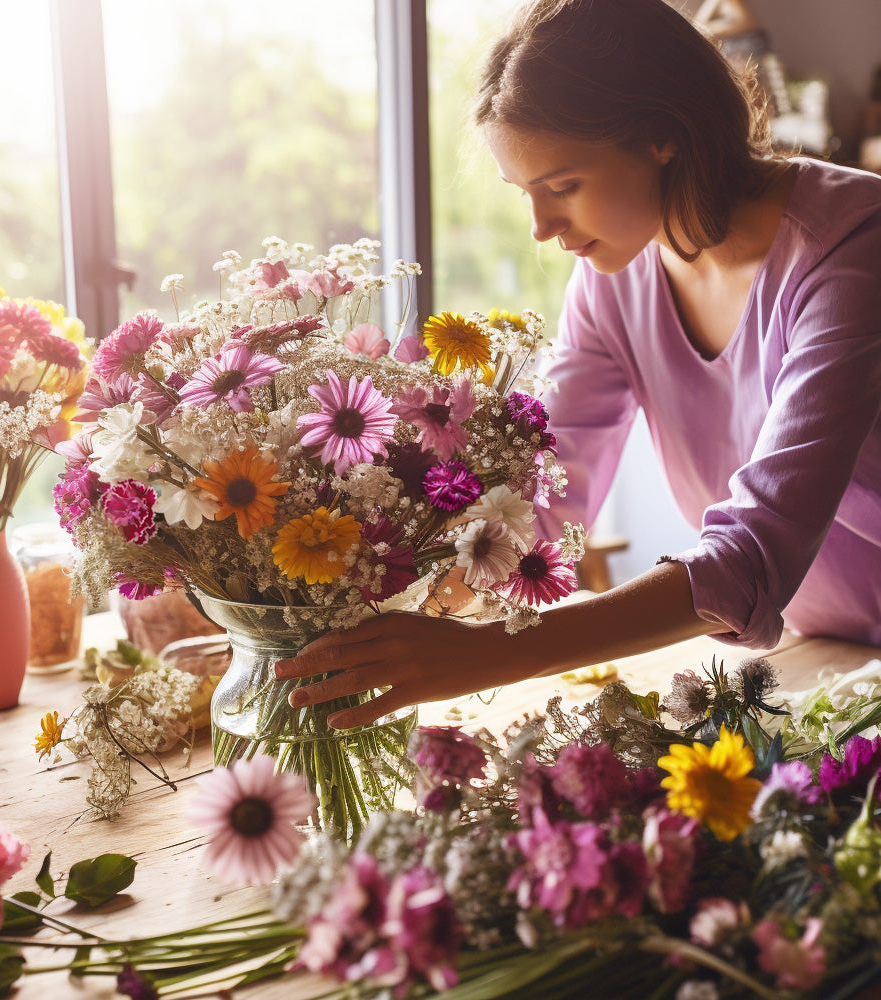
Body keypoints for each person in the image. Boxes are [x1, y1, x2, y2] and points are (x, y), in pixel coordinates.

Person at [275, 0, 881, 729]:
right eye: (524, 192)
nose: (541, 227)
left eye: (562, 186)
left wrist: (488, 653)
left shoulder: (852, 249)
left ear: (663, 134)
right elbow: (547, 487)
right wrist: (405, 580)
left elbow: (753, 553)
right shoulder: (612, 272)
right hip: (817, 653)